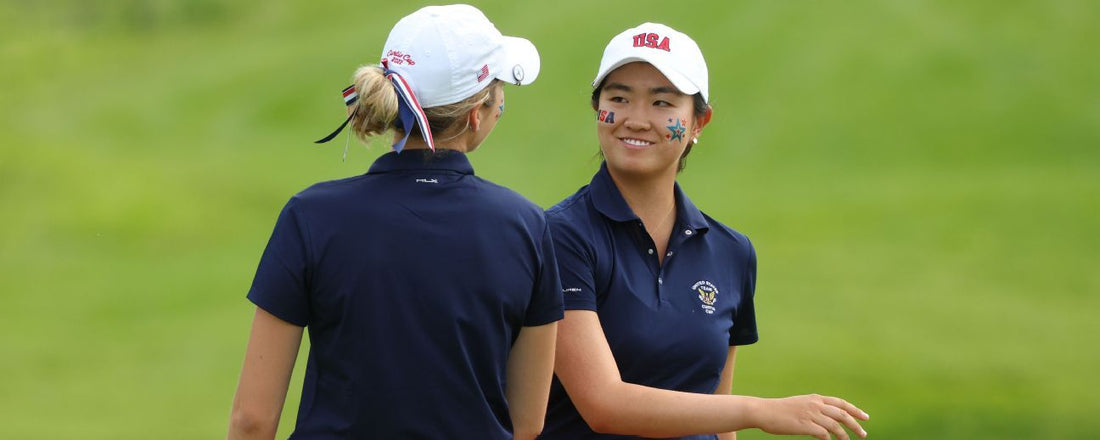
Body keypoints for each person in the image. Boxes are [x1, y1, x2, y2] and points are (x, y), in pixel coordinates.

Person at [227, 5, 562, 439]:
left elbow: (252, 421)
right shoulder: (526, 228)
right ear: (475, 115)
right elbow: (527, 423)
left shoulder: (311, 215)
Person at [541, 23, 869, 440]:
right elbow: (603, 405)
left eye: (662, 103)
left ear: (699, 122)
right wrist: (758, 411)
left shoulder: (731, 252)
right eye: (619, 98)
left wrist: (737, 416)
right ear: (598, 109)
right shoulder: (560, 237)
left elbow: (718, 413)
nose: (636, 120)